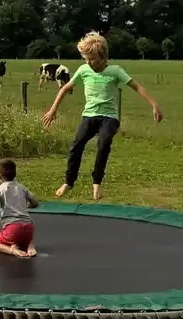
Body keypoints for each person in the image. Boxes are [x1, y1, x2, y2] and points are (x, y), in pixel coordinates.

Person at [42, 31, 163, 200]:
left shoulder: (115, 71)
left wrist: (154, 105)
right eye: (86, 58)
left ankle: (96, 183)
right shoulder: (83, 70)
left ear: (103, 56)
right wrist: (53, 110)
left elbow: (137, 87)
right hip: (89, 115)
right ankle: (68, 182)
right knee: (76, 145)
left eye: (92, 59)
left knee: (103, 142)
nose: (88, 62)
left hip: (110, 117)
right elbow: (65, 88)